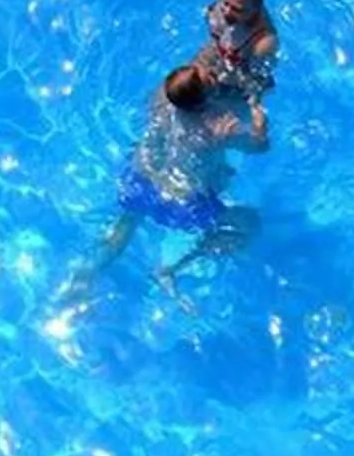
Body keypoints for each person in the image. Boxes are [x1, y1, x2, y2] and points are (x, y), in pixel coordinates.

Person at [59, 63, 267, 306]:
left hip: (142, 178)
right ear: (204, 98)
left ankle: (88, 271)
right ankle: (171, 268)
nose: (210, 71)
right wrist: (259, 119)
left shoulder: (162, 100)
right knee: (248, 223)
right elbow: (259, 146)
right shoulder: (217, 129)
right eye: (208, 75)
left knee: (124, 225)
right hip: (184, 201)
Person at [196, 0, 281, 104]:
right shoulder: (222, 5)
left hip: (239, 81)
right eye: (225, 3)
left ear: (256, 8)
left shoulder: (263, 42)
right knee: (178, 91)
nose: (226, 12)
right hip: (215, 55)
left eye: (237, 9)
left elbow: (258, 81)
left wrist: (254, 106)